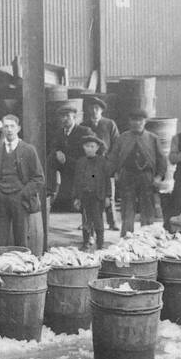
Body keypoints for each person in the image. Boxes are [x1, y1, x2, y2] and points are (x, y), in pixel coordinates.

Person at [0, 114, 45, 248]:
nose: (9, 129)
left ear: (18, 128)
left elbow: (39, 178)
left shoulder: (28, 150)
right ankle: (0, 267)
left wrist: (24, 193)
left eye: (12, 126)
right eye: (6, 126)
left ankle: (21, 266)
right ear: (2, 130)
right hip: (0, 199)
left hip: (20, 199)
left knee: (21, 240)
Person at [108, 108, 166, 235]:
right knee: (127, 208)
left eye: (140, 120)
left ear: (145, 122)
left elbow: (162, 159)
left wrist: (159, 176)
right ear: (129, 121)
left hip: (146, 177)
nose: (136, 123)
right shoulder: (123, 138)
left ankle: (147, 237)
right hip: (127, 176)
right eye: (134, 120)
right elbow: (113, 157)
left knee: (147, 209)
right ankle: (126, 237)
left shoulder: (152, 138)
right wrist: (114, 173)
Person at [47, 101, 96, 213]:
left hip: (81, 165)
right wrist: (57, 152)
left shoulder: (84, 131)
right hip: (66, 165)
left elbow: (94, 149)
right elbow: (53, 145)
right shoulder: (59, 132)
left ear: (74, 117)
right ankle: (49, 190)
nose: (65, 119)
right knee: (50, 157)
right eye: (62, 116)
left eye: (67, 116)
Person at [72, 133, 114, 251]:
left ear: (97, 148)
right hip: (84, 196)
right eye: (86, 146)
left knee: (98, 220)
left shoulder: (102, 162)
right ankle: (86, 242)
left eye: (92, 146)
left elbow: (107, 180)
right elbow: (76, 180)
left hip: (97, 196)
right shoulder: (80, 162)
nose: (89, 149)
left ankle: (100, 243)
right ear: (83, 147)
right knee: (86, 220)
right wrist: (76, 197)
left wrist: (107, 196)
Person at [87, 96, 119, 231]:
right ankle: (89, 222)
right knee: (89, 193)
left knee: (108, 193)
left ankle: (112, 222)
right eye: (92, 108)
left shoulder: (109, 124)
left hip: (106, 163)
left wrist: (110, 160)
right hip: (90, 165)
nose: (94, 111)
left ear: (101, 110)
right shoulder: (84, 125)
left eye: (97, 108)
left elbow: (117, 144)